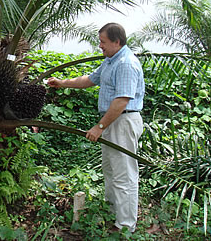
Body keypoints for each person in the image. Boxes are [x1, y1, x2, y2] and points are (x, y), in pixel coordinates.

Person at [47, 22, 145, 233]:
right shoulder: (111, 61)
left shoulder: (126, 63)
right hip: (113, 121)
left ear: (117, 42)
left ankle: (126, 226)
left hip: (122, 121)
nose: (100, 46)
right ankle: (113, 215)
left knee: (124, 175)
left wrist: (99, 127)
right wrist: (62, 83)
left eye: (103, 42)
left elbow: (121, 101)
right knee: (111, 171)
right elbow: (90, 80)